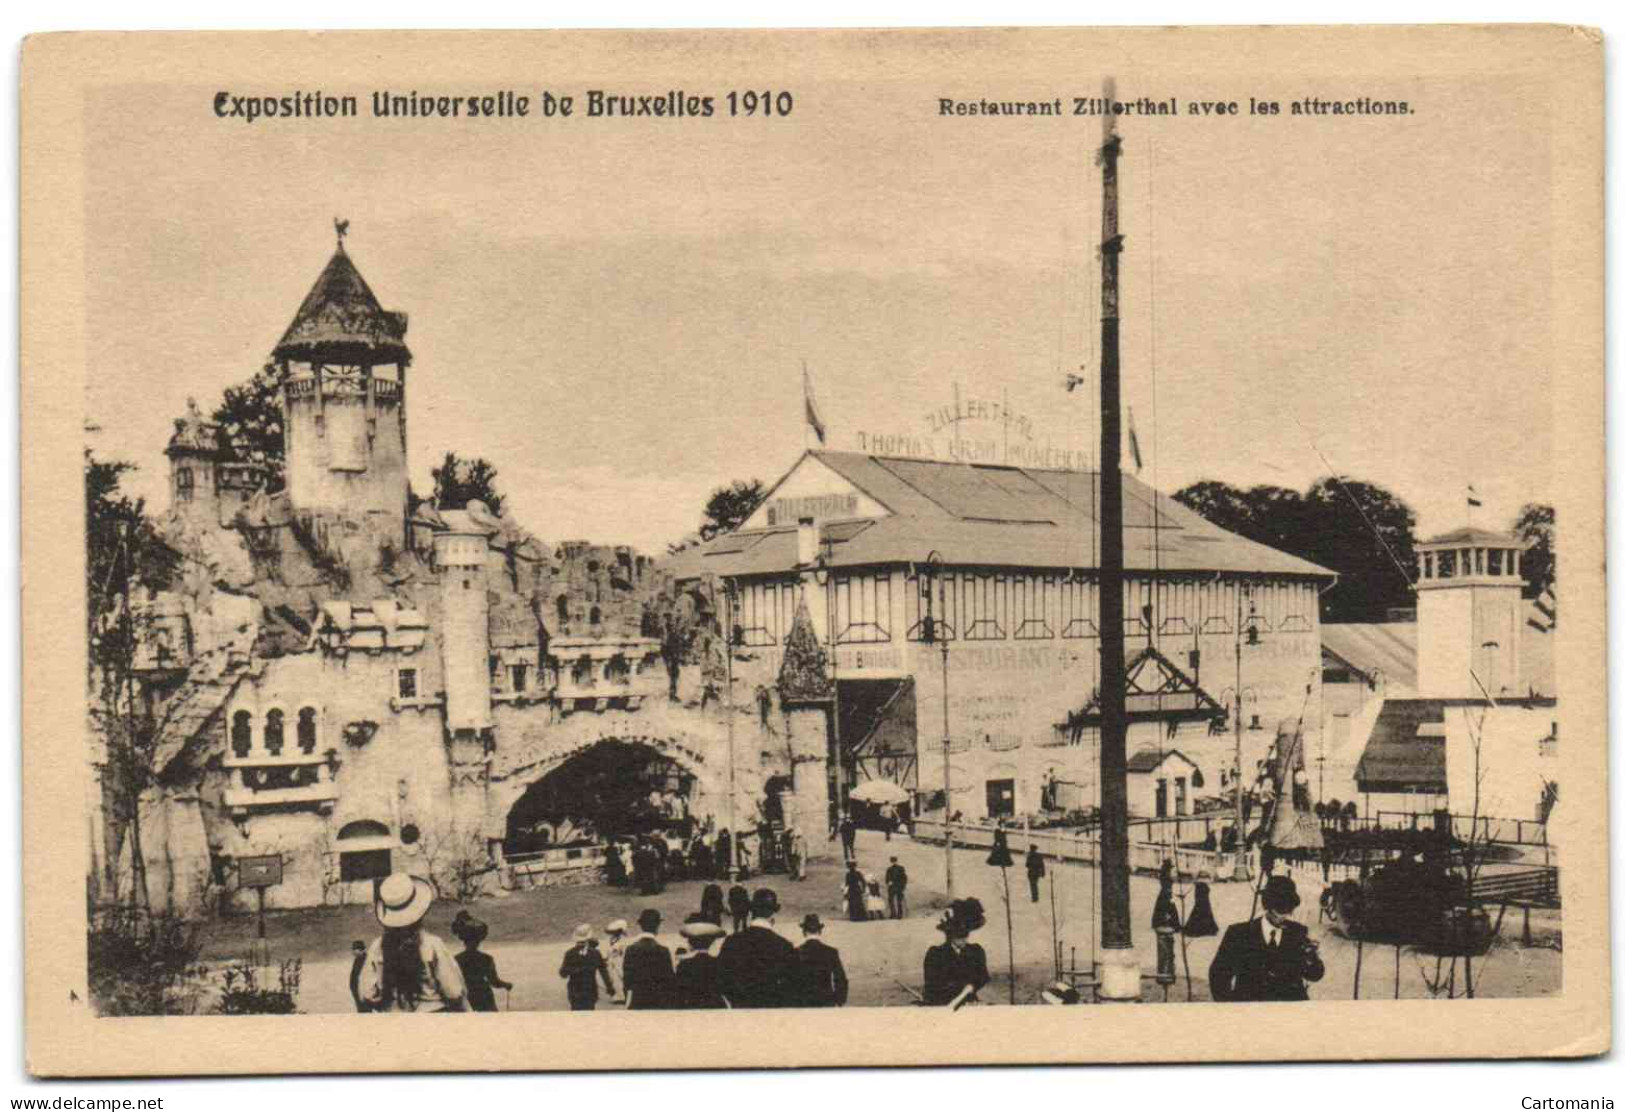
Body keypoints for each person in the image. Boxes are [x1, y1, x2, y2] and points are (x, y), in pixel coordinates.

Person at [358, 873, 468, 1012]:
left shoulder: (377, 947)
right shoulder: (433, 944)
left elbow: (367, 993)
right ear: (419, 911)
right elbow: (454, 991)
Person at [1208, 875, 1325, 1002]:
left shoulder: (1298, 932)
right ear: (1267, 906)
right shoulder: (1239, 934)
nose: (1283, 917)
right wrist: (1231, 1010)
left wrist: (1311, 959)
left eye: (1288, 910)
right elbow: (1218, 976)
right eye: (1279, 910)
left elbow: (1314, 976)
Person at [716, 888, 802, 1007]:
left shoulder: (732, 942)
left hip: (741, 1010)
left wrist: (738, 1000)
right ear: (773, 913)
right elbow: (793, 984)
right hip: (772, 1013)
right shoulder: (784, 945)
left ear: (751, 911)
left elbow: (721, 979)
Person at [922, 898, 990, 1008]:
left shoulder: (975, 951)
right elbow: (932, 984)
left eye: (966, 935)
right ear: (950, 935)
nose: (964, 939)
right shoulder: (936, 954)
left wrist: (972, 986)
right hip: (943, 1004)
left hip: (969, 1004)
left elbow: (983, 976)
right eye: (960, 936)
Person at [452, 912, 514, 1013]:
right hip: (484, 997)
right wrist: (506, 985)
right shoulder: (486, 959)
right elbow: (494, 982)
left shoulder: (456, 959)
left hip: (467, 997)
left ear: (463, 940)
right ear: (480, 940)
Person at [622, 908, 677, 1010]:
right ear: (657, 926)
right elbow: (669, 979)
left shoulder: (631, 949)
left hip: (638, 999)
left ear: (641, 926)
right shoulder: (663, 950)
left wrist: (628, 999)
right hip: (658, 1000)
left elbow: (627, 979)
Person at [559, 923, 615, 1011]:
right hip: (588, 990)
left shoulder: (570, 953)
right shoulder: (595, 953)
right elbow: (603, 971)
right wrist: (609, 987)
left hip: (576, 991)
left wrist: (609, 987)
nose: (580, 944)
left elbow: (563, 973)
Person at [674, 916, 728, 1008]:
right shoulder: (718, 963)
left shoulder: (684, 965)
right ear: (711, 942)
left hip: (692, 1006)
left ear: (690, 942)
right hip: (715, 1006)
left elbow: (680, 992)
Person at [797, 914, 848, 1007]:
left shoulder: (796, 952)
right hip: (826, 1001)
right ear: (820, 931)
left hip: (803, 1002)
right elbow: (841, 979)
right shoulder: (831, 952)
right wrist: (839, 1001)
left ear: (804, 932)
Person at [603, 919, 630, 1003]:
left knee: (620, 976)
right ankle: (618, 995)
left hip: (619, 960)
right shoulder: (613, 939)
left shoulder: (623, 940)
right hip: (613, 960)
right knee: (614, 978)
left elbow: (621, 951)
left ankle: (621, 996)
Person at [349, 940, 372, 1013]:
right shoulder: (358, 959)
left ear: (360, 950)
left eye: (355, 949)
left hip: (362, 991)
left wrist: (362, 993)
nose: (353, 952)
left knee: (365, 1011)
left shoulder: (365, 959)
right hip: (358, 991)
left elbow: (363, 978)